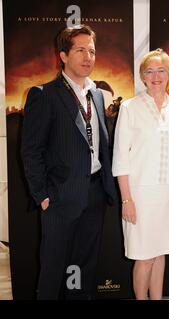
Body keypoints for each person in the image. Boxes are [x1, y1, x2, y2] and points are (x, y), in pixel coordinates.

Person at [21, 25, 116, 299]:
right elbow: (31, 150)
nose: (88, 56)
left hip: (95, 194)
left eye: (92, 51)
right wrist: (43, 196)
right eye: (80, 50)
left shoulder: (97, 95)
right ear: (63, 55)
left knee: (83, 270)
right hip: (59, 198)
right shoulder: (44, 94)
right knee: (53, 271)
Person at [112, 48, 169, 300]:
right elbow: (121, 158)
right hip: (140, 195)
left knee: (160, 253)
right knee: (145, 256)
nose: (156, 76)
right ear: (142, 77)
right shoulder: (130, 108)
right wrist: (126, 200)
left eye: (161, 70)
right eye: (149, 71)